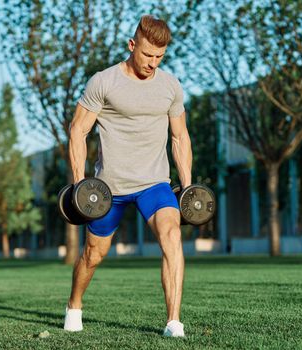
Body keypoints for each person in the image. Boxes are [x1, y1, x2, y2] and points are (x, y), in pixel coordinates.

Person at [64, 15, 192, 337]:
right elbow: (78, 130)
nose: (152, 63)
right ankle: (74, 305)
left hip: (154, 183)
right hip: (110, 187)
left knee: (172, 236)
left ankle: (173, 322)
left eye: (159, 57)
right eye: (147, 54)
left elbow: (180, 137)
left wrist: (187, 185)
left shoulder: (169, 86)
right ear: (132, 45)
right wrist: (80, 182)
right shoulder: (104, 82)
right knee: (94, 255)